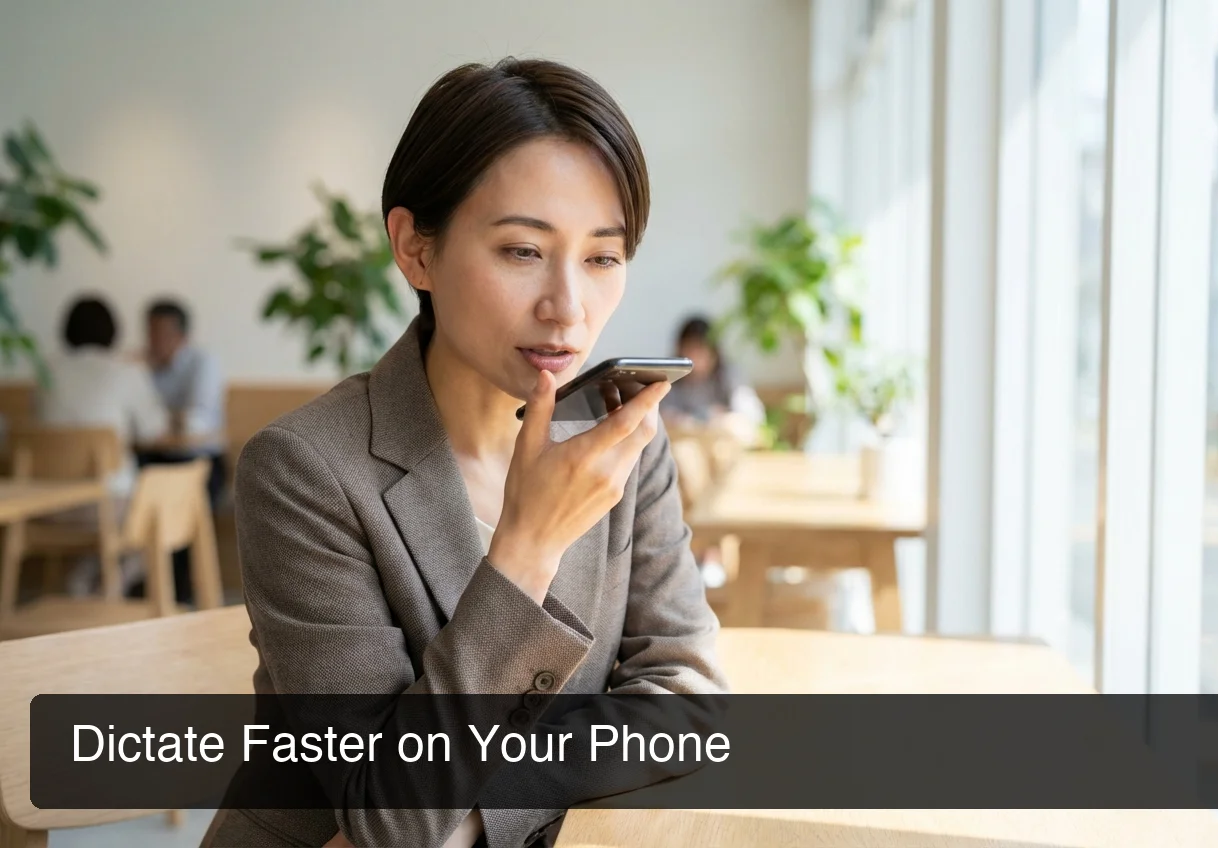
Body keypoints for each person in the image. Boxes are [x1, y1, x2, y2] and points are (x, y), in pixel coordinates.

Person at [202, 58, 726, 848]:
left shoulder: (623, 447)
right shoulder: (304, 469)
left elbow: (687, 703)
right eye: (523, 250)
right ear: (415, 249)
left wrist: (483, 811)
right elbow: (389, 814)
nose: (567, 307)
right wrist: (528, 548)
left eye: (601, 257)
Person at [37, 295, 169, 594]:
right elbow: (155, 430)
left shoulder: (45, 370)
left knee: (106, 524)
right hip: (109, 506)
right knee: (161, 515)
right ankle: (107, 591)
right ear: (113, 331)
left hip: (46, 505)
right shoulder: (125, 370)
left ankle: (81, 584)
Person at [141, 298, 227, 502]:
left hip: (200, 461)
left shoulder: (203, 363)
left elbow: (195, 422)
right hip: (156, 457)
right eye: (150, 333)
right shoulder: (141, 366)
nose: (154, 340)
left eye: (161, 333)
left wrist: (157, 417)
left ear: (181, 336)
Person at [661, 315, 765, 445]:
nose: (695, 355)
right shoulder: (669, 379)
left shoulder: (729, 376)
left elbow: (752, 419)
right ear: (680, 349)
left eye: (701, 348)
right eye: (690, 348)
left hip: (722, 445)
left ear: (714, 351)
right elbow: (664, 420)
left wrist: (717, 420)